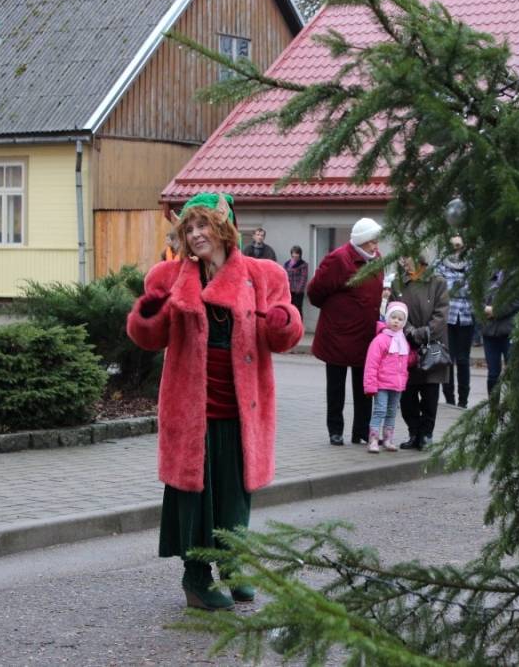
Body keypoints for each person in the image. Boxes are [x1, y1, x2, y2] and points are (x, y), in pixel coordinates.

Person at [125, 192, 303, 611]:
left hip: (243, 408)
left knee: (235, 496)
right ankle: (196, 578)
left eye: (203, 225)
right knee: (195, 497)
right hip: (193, 410)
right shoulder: (169, 277)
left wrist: (283, 321)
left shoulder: (263, 274)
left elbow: (284, 336)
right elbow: (149, 339)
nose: (196, 234)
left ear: (225, 227)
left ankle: (234, 567)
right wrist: (147, 314)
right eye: (189, 228)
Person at [307, 217, 384, 446]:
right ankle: (335, 431)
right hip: (337, 336)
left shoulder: (377, 260)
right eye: (371, 241)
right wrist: (338, 313)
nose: (375, 246)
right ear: (361, 241)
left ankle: (360, 431)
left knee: (364, 387)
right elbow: (315, 292)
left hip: (365, 335)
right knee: (336, 387)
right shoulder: (339, 259)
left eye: (376, 241)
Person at [392, 255, 450, 451]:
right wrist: (409, 331)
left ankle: (426, 434)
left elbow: (441, 314)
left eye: (407, 257)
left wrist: (424, 333)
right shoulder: (397, 283)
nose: (403, 262)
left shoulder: (438, 282)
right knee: (407, 395)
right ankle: (413, 432)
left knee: (429, 393)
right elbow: (393, 310)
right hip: (406, 346)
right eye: (402, 258)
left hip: (432, 346)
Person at [363, 302, 416, 453]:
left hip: (397, 385)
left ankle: (388, 439)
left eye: (400, 319)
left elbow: (405, 361)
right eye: (393, 317)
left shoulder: (403, 341)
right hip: (381, 384)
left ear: (403, 323)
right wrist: (370, 385)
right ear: (387, 318)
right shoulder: (381, 340)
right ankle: (373, 440)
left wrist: (415, 356)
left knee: (392, 412)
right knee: (380, 410)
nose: (396, 321)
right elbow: (371, 364)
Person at [436, 235, 475, 408]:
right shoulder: (439, 263)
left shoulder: (473, 264)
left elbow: (473, 287)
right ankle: (449, 399)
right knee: (447, 359)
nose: (456, 249)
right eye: (452, 246)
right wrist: (461, 286)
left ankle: (463, 401)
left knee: (463, 359)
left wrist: (455, 286)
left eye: (459, 245)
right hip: (447, 318)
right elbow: (442, 289)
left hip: (467, 317)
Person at [482, 269, 519, 397]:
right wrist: (483, 309)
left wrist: (496, 310)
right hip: (489, 332)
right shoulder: (488, 275)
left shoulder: (517, 275)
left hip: (509, 332)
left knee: (514, 372)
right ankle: (494, 411)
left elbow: (517, 302)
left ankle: (516, 408)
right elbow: (476, 298)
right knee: (493, 374)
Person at [283, 245, 309, 319]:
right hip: (289, 290)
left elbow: (304, 278)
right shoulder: (287, 263)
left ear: (300, 254)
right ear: (291, 254)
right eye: (294, 253)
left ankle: (299, 325)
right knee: (289, 308)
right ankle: (291, 325)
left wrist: (299, 289)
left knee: (298, 309)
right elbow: (284, 276)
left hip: (298, 292)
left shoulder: (303, 264)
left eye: (297, 253)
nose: (295, 255)